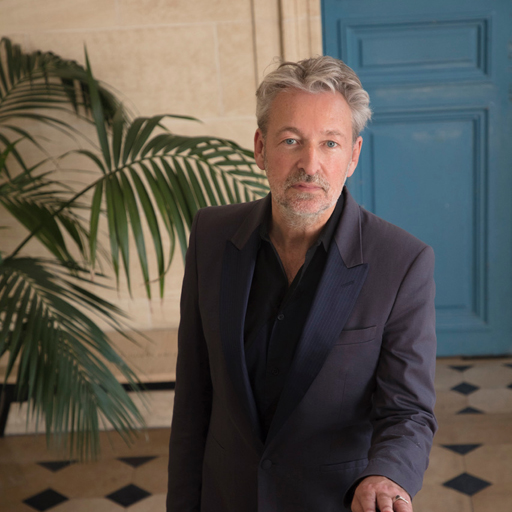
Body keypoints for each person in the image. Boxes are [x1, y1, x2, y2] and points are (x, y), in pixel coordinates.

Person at [166, 56, 437, 512]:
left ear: (353, 156)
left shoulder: (403, 262)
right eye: (291, 140)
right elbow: (194, 396)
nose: (310, 165)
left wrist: (387, 474)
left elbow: (407, 411)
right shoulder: (211, 236)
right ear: (260, 148)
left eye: (330, 143)